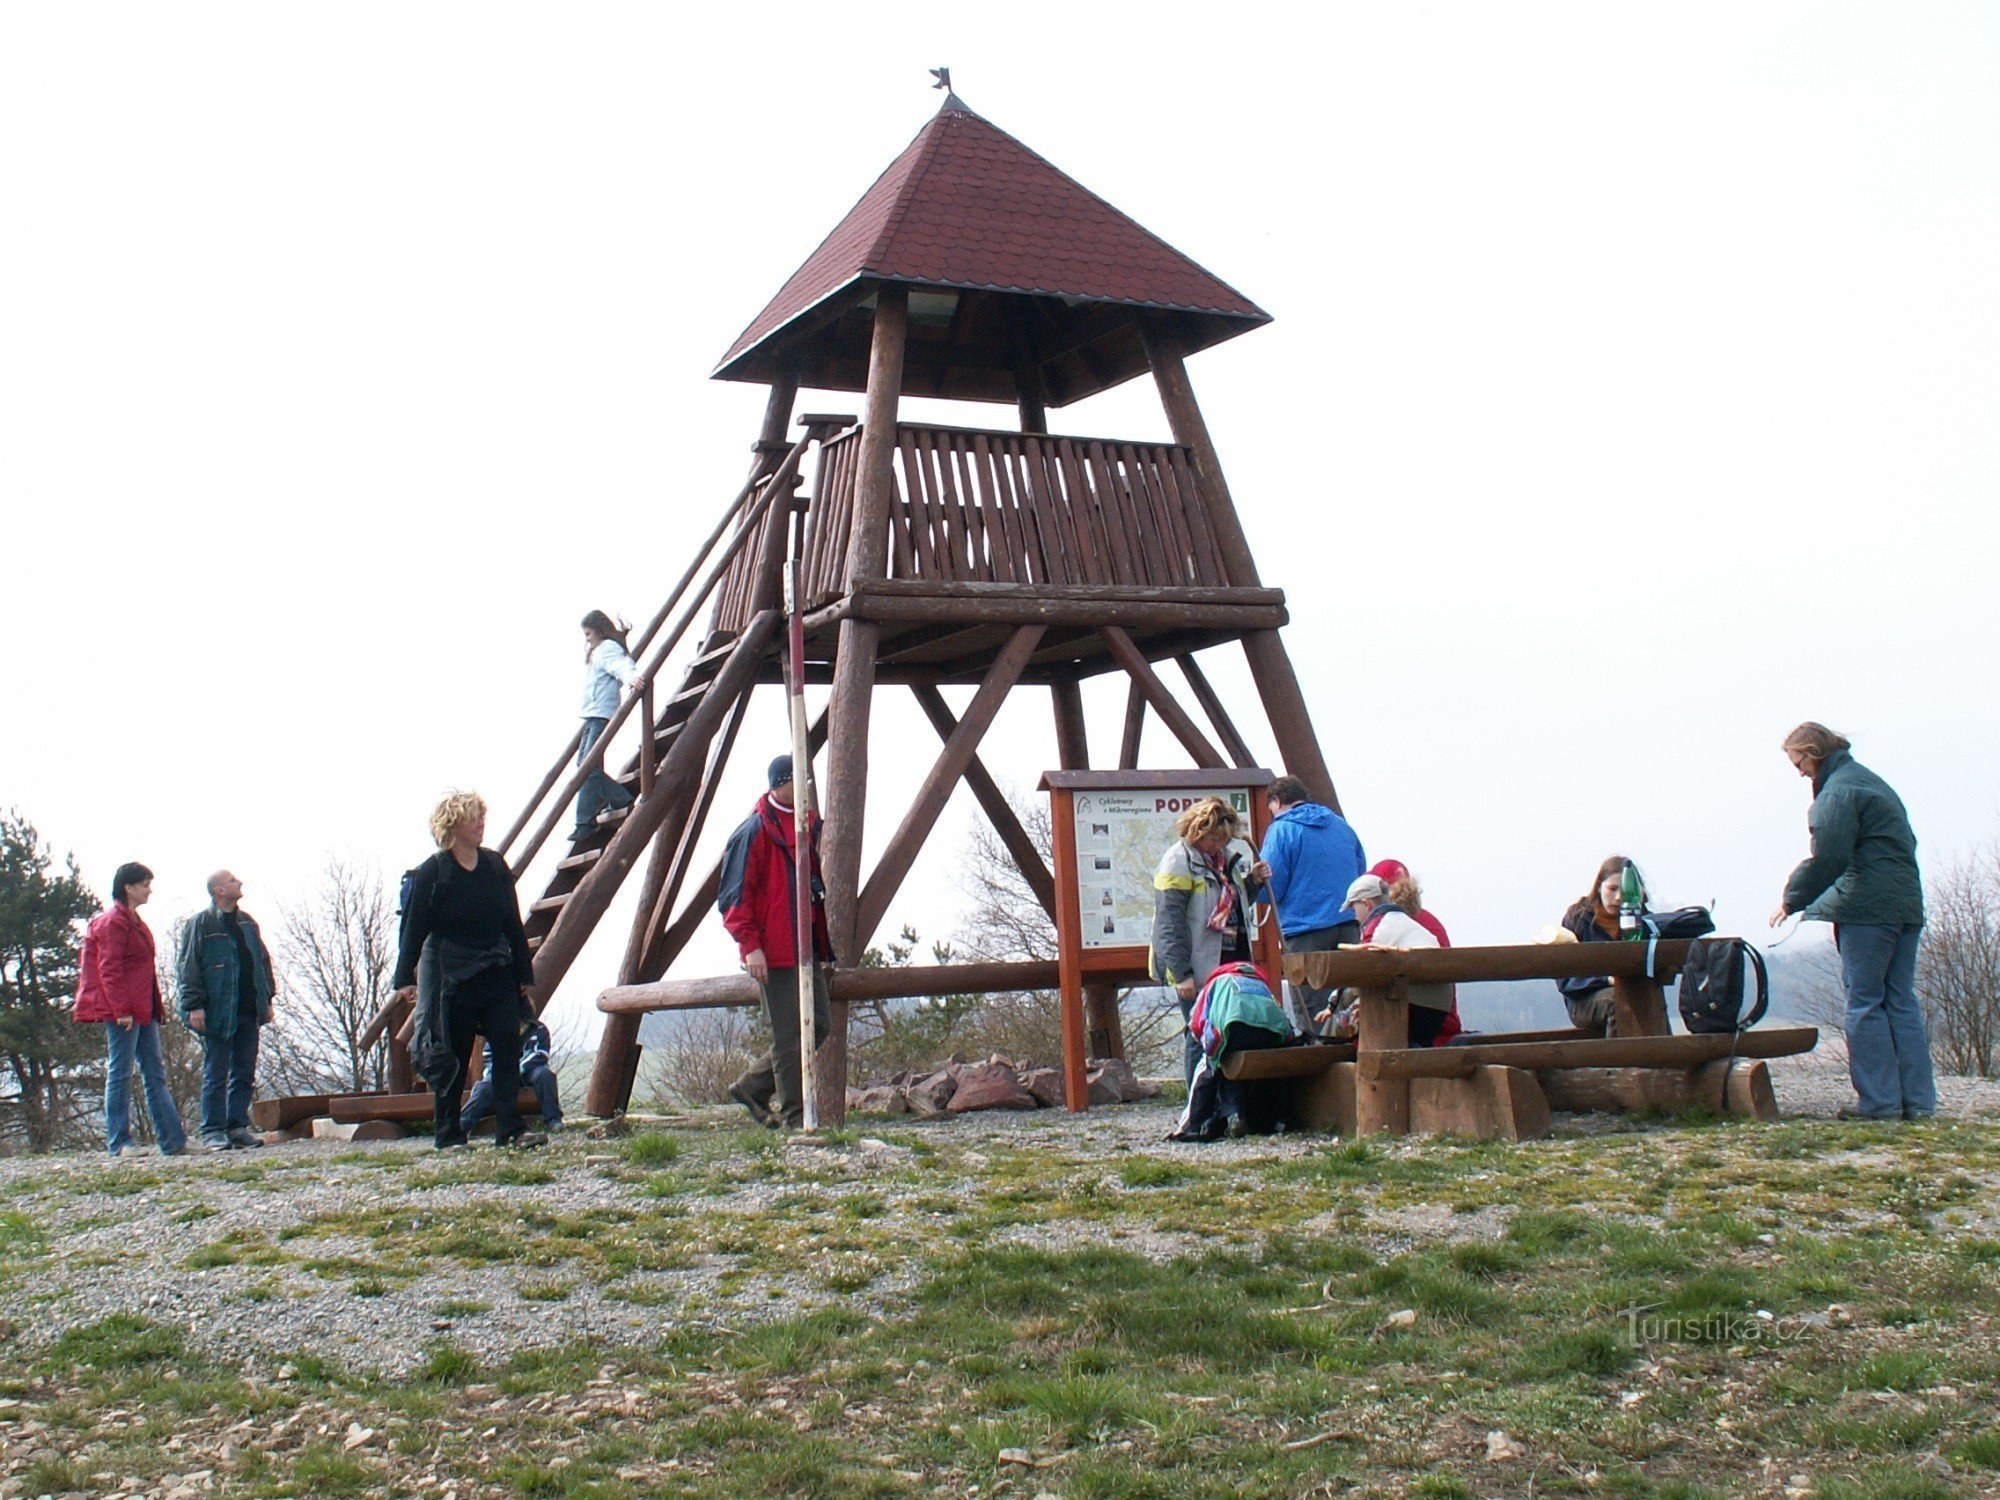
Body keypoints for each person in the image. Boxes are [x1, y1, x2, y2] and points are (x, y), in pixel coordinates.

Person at [1771, 722, 1933, 1121]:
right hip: (1906, 906)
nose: (1799, 771)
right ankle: (1918, 1103)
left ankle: (1879, 1103)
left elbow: (1829, 857)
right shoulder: (1872, 782)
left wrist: (1792, 900)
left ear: (1815, 753)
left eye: (1800, 761)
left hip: (1867, 911)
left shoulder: (1839, 792)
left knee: (1864, 1003)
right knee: (1901, 1001)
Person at [392, 791, 545, 1150]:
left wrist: (525, 974)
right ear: (453, 825)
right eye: (472, 817)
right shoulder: (435, 871)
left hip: (496, 970)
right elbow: (414, 928)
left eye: (481, 816)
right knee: (453, 1056)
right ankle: (448, 1135)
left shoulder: (494, 866)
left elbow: (512, 922)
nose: (480, 823)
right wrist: (404, 979)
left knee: (508, 1048)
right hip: (453, 977)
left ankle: (511, 1130)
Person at [718, 754, 833, 1130]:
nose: (807, 788)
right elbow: (735, 897)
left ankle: (752, 1086)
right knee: (789, 1035)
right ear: (781, 783)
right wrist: (750, 946)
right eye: (801, 780)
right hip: (776, 948)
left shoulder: (804, 825)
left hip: (805, 945)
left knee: (818, 1025)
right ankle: (796, 1118)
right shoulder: (754, 831)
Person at [74, 862, 191, 1158]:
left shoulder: (133, 920)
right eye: (144, 884)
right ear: (128, 886)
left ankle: (174, 1141)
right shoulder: (114, 922)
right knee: (121, 1072)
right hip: (125, 1011)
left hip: (143, 1009)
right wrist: (120, 1010)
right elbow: (108, 968)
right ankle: (119, 1141)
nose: (149, 890)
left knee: (155, 1073)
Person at [1149, 796, 1264, 1084]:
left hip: (1229, 960)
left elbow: (1234, 906)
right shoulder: (1178, 861)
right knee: (1199, 1033)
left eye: (1223, 839)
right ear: (1196, 831)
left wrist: (1254, 882)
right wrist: (1181, 973)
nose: (1218, 845)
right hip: (1197, 964)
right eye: (1213, 838)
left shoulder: (1226, 861)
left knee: (1229, 1029)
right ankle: (1197, 1105)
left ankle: (1225, 1101)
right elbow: (1169, 921)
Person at [1253, 776, 1366, 1032]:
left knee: (1312, 1010)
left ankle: (1322, 1066)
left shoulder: (1282, 829)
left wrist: (1250, 887)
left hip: (1305, 932)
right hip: (1348, 927)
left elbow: (1273, 885)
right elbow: (1360, 868)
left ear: (1277, 801)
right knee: (1349, 1004)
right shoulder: (1340, 826)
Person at [176, 869, 277, 1151]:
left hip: (248, 1009)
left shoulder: (247, 923)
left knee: (245, 1072)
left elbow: (262, 962)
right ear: (219, 890)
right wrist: (193, 1005)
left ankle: (237, 1127)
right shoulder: (201, 924)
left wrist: (267, 999)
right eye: (232, 880)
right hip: (217, 1010)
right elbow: (188, 966)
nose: (240, 882)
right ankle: (212, 1130)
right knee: (216, 1071)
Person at [1169, 961, 1297, 1141]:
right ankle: (1278, 1119)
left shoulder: (1213, 985)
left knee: (1216, 1064)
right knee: (1255, 1064)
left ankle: (1220, 1117)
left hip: (1232, 1028)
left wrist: (1186, 1126)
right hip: (1271, 1032)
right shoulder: (1260, 984)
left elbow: (1197, 1025)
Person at [1337, 872, 1457, 1047]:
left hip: (1413, 1005)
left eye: (1354, 909)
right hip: (1437, 1007)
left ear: (1366, 904)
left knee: (1366, 1037)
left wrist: (1340, 1006)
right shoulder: (1405, 923)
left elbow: (1361, 971)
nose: (1355, 916)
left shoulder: (1378, 927)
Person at [1367, 859, 1463, 1045]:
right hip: (1445, 1021)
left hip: (1415, 1026)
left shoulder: (1388, 922)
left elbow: (1364, 969)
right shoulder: (1431, 922)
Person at [573, 610, 642, 842]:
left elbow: (621, 666)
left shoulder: (606, 649)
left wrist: (632, 678)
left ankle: (585, 821)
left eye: (588, 633)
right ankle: (614, 800)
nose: (587, 639)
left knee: (587, 767)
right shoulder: (599, 651)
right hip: (593, 713)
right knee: (584, 766)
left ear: (598, 631)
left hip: (600, 714)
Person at [1556, 855, 1634, 1036]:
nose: (1618, 897)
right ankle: (1618, 1062)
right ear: (1599, 886)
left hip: (1632, 993)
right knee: (1617, 1000)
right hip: (1582, 1001)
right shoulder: (1578, 918)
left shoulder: (1640, 920)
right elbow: (1566, 982)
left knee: (1651, 1001)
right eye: (1612, 889)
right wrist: (1606, 979)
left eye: (1626, 891)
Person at [461, 1018, 563, 1136]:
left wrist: (518, 1068)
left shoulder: (539, 1028)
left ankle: (553, 1119)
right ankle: (464, 1124)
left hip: (530, 1070)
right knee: (484, 1087)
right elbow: (488, 1055)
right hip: (501, 1070)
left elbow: (540, 1054)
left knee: (544, 1074)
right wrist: (504, 1070)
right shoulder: (497, 1026)